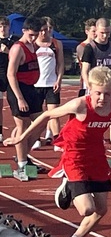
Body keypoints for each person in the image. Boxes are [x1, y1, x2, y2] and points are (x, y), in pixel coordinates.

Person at [4, 66, 111, 237]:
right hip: (75, 156)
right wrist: (21, 138)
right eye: (98, 93)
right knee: (87, 209)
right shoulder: (80, 105)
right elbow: (46, 115)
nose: (102, 98)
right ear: (90, 89)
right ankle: (67, 185)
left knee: (101, 209)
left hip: (97, 157)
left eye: (107, 94)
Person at [79, 18, 111, 164]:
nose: (105, 36)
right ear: (96, 31)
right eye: (102, 33)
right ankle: (87, 150)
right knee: (91, 121)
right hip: (94, 90)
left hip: (110, 90)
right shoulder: (90, 48)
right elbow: (84, 70)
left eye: (107, 33)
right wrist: (90, 88)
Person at [5, 15, 46, 172]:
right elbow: (11, 74)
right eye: (31, 35)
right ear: (24, 31)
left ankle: (23, 155)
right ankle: (22, 163)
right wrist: (20, 98)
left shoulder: (33, 46)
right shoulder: (18, 48)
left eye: (36, 34)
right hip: (18, 90)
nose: (34, 38)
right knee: (23, 125)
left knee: (41, 122)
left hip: (31, 89)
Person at [32, 17, 65, 149]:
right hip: (36, 84)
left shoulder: (56, 44)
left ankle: (57, 140)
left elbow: (61, 63)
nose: (44, 33)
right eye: (41, 30)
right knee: (37, 115)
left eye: (47, 30)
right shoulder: (33, 44)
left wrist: (59, 79)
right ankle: (36, 138)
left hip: (52, 84)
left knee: (54, 114)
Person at [74, 18, 97, 97]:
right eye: (93, 31)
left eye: (97, 31)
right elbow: (85, 65)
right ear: (87, 32)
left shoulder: (99, 46)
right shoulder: (81, 47)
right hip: (86, 82)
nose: (96, 34)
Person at [0, 17, 12, 135]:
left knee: (16, 106)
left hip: (11, 76)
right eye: (0, 26)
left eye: (5, 26)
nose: (3, 29)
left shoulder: (13, 41)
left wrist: (8, 51)